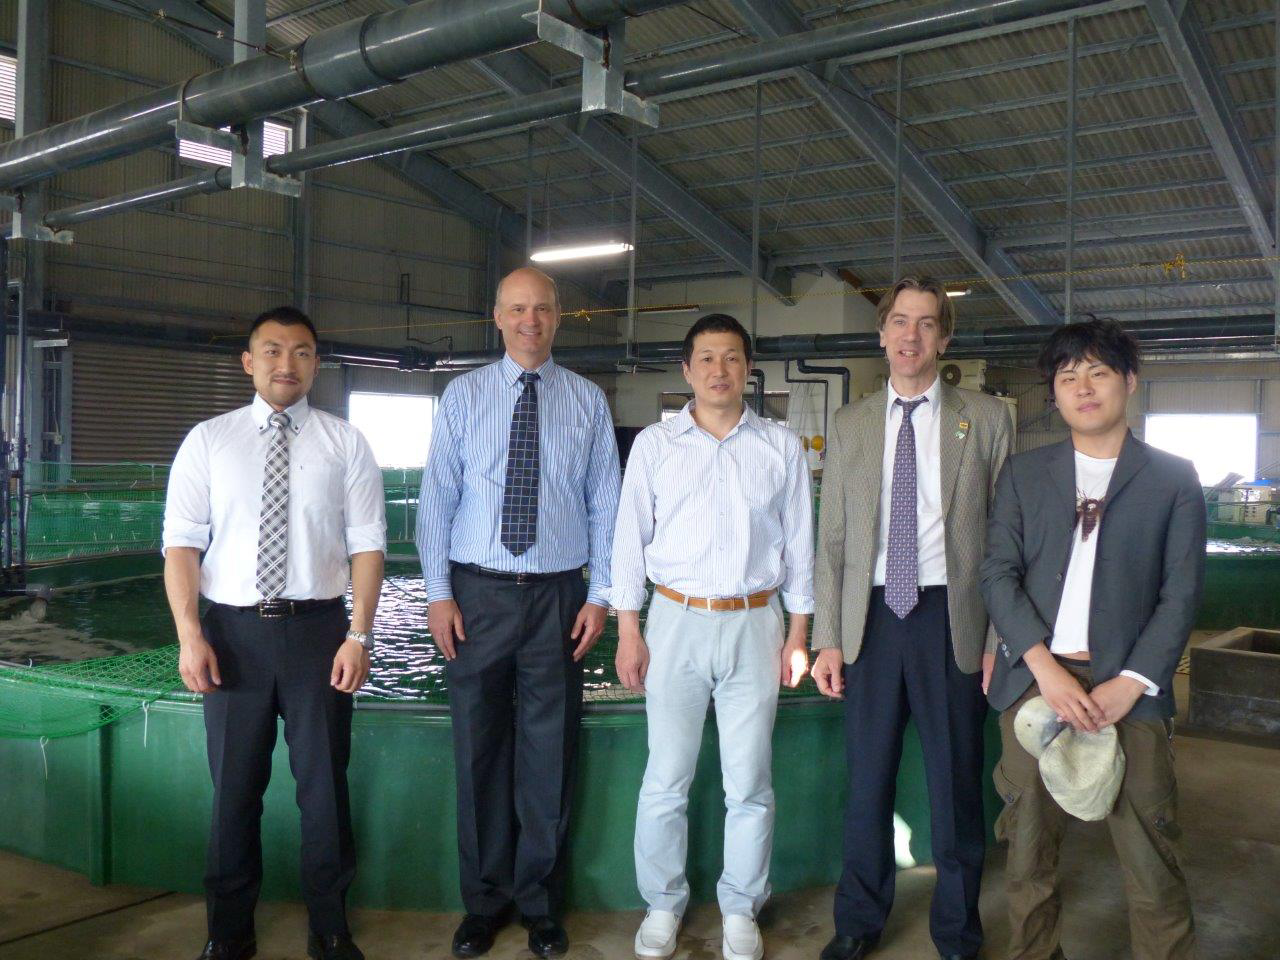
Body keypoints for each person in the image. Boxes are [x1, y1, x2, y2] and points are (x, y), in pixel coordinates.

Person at [163, 306, 386, 960]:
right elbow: (180, 545)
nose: (286, 364)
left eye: (301, 352)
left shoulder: (346, 443)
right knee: (234, 793)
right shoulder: (209, 441)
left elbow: (368, 547)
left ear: (316, 362)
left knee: (324, 790)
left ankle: (330, 926)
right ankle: (227, 933)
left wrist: (360, 636)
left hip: (319, 636)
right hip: (230, 638)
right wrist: (188, 635)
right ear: (248, 361)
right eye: (272, 351)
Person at [982, 318, 1204, 960]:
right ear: (1052, 392)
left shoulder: (1172, 477)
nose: (1083, 387)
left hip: (1130, 691)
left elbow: (1181, 593)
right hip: (1035, 684)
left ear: (1128, 382)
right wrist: (1044, 669)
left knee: (1152, 859)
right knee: (1027, 861)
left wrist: (1131, 682)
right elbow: (996, 572)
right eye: (1067, 376)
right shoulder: (1025, 474)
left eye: (1098, 372)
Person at [416, 267, 621, 959]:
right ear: (496, 317)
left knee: (548, 753)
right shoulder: (462, 397)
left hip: (560, 598)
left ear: (559, 317)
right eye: (517, 309)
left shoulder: (589, 401)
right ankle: (484, 902)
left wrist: (600, 596)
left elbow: (606, 506)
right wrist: (438, 593)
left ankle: (539, 904)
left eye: (542, 309)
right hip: (477, 594)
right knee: (479, 750)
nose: (530, 320)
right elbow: (437, 499)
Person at [811, 276, 1012, 960]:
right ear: (881, 333)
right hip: (871, 621)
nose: (910, 336)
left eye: (926, 324)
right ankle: (857, 923)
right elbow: (831, 541)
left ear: (944, 339)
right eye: (900, 321)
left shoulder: (985, 419)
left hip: (948, 619)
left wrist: (995, 640)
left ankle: (957, 931)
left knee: (957, 785)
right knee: (867, 782)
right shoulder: (850, 424)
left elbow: (1003, 538)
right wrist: (828, 639)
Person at [613, 313, 814, 960]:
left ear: (748, 368)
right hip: (673, 619)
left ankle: (739, 908)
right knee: (666, 777)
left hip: (757, 622)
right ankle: (662, 904)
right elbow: (627, 543)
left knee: (749, 782)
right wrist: (629, 630)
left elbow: (801, 547)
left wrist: (798, 631)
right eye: (706, 358)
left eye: (731, 358)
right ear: (686, 369)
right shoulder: (654, 445)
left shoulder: (779, 446)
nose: (719, 370)